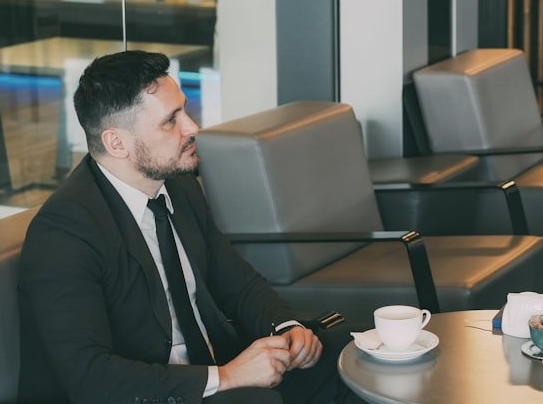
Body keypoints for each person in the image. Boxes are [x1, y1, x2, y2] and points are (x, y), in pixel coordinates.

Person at [18, 51, 350, 404]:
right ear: (117, 143)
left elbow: (237, 283)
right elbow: (90, 376)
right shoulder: (64, 234)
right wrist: (226, 377)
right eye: (170, 120)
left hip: (215, 372)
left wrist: (286, 328)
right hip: (155, 392)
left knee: (342, 356)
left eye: (184, 111)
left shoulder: (178, 185)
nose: (192, 127)